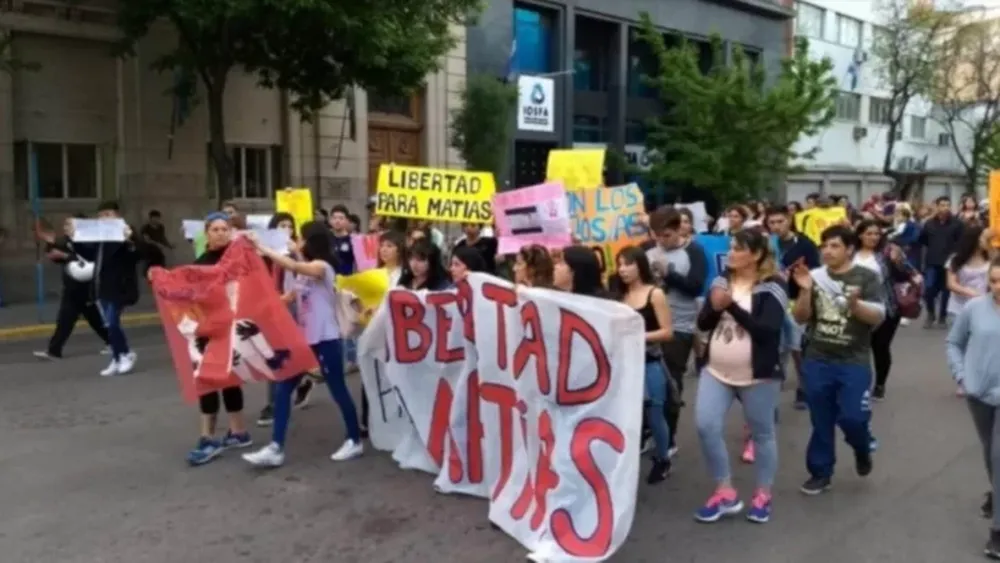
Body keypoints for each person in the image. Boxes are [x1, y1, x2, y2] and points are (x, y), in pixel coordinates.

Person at [243, 220, 364, 467]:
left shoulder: (323, 267)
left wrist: (264, 248)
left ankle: (354, 440)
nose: (299, 242)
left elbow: (296, 265)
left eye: (302, 238)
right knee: (283, 388)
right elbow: (290, 290)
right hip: (304, 340)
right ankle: (276, 447)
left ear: (313, 241)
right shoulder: (307, 271)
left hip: (327, 338)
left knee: (338, 389)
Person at [693, 229, 787, 524]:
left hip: (758, 376)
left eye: (738, 248)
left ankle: (763, 494)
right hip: (716, 370)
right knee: (705, 425)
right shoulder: (721, 281)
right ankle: (724, 491)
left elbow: (767, 332)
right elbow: (704, 322)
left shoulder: (772, 287)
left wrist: (730, 305)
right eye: (731, 247)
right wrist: (715, 306)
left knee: (762, 435)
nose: (731, 252)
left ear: (756, 254)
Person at [792, 225, 884, 495]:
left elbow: (877, 316)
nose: (827, 251)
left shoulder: (867, 277)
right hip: (818, 359)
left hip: (853, 361)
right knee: (821, 419)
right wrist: (806, 290)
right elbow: (800, 317)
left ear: (849, 249)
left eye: (834, 246)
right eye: (824, 246)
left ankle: (861, 447)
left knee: (853, 418)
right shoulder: (815, 277)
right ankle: (820, 471)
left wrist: (855, 306)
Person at [185, 212, 253, 465]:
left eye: (225, 228)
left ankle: (237, 432)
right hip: (208, 329)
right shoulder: (202, 263)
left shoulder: (238, 259)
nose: (221, 233)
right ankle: (208, 436)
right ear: (207, 233)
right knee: (208, 381)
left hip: (234, 328)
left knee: (230, 380)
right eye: (215, 229)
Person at [946, 256, 1000, 557]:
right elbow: (954, 343)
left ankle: (997, 531)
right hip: (978, 393)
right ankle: (997, 492)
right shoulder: (974, 308)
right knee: (990, 455)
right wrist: (962, 376)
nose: (997, 287)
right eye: (993, 281)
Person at [646, 206, 707, 458]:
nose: (662, 240)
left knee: (671, 383)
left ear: (679, 229)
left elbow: (694, 287)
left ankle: (669, 438)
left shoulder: (693, 251)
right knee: (648, 384)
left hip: (679, 326)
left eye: (667, 235)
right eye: (658, 235)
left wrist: (669, 273)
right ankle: (649, 432)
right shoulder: (647, 250)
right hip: (649, 325)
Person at [613, 246, 674, 483]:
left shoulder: (654, 294)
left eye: (628, 264)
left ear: (640, 265)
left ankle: (662, 458)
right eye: (619, 264)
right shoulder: (618, 296)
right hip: (622, 363)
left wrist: (639, 336)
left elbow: (668, 332)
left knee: (655, 411)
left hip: (649, 362)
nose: (623, 269)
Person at [256, 213, 314, 427]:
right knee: (275, 356)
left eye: (290, 226)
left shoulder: (298, 252)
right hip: (272, 308)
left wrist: (297, 252)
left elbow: (310, 273)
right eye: (282, 225)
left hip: (298, 308)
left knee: (296, 353)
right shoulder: (262, 253)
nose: (286, 230)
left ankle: (299, 381)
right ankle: (275, 402)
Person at [853, 220, 920, 401]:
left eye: (876, 234)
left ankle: (880, 384)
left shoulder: (888, 252)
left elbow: (908, 273)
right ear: (860, 235)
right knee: (858, 349)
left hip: (886, 308)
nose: (874, 237)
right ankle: (859, 384)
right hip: (855, 309)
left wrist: (897, 262)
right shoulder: (850, 253)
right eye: (869, 233)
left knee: (880, 348)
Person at [33, 214, 111, 360]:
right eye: (65, 225)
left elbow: (88, 263)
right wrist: (50, 243)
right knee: (66, 319)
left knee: (93, 319)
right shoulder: (68, 241)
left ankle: (114, 343)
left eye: (69, 225)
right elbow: (55, 255)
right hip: (72, 287)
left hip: (86, 288)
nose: (65, 228)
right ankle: (54, 351)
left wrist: (65, 256)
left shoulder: (90, 243)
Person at [766, 206, 820, 410]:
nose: (776, 226)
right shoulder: (767, 244)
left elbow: (814, 271)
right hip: (773, 299)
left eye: (780, 221)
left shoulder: (805, 244)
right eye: (772, 223)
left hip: (796, 299)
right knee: (776, 347)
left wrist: (800, 277)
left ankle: (803, 387)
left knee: (798, 348)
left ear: (789, 220)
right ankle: (772, 391)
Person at [82, 201, 140, 377]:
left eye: (108, 214)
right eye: (101, 215)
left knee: (113, 323)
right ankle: (117, 357)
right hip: (101, 286)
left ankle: (126, 354)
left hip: (118, 288)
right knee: (108, 325)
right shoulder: (100, 238)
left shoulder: (125, 234)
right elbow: (88, 255)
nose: (104, 218)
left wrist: (130, 239)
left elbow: (138, 253)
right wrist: (73, 238)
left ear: (117, 215)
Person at [919, 196, 965, 328]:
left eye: (947, 205)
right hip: (932, 261)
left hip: (949, 262)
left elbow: (960, 243)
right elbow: (923, 240)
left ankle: (942, 317)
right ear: (937, 207)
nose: (945, 208)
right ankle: (930, 313)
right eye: (942, 205)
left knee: (946, 291)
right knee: (929, 288)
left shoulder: (957, 224)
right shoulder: (929, 224)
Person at [139, 210, 173, 277]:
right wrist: (157, 244)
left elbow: (163, 237)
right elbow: (147, 240)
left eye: (157, 218)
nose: (156, 220)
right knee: (150, 269)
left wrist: (169, 245)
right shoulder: (145, 228)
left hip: (158, 251)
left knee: (161, 265)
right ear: (150, 218)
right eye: (154, 218)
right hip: (149, 251)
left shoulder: (161, 227)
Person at [327, 204, 356, 276]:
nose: (337, 221)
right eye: (334, 218)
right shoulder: (325, 239)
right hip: (328, 280)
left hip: (346, 280)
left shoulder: (353, 240)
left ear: (347, 221)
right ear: (330, 220)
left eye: (341, 218)